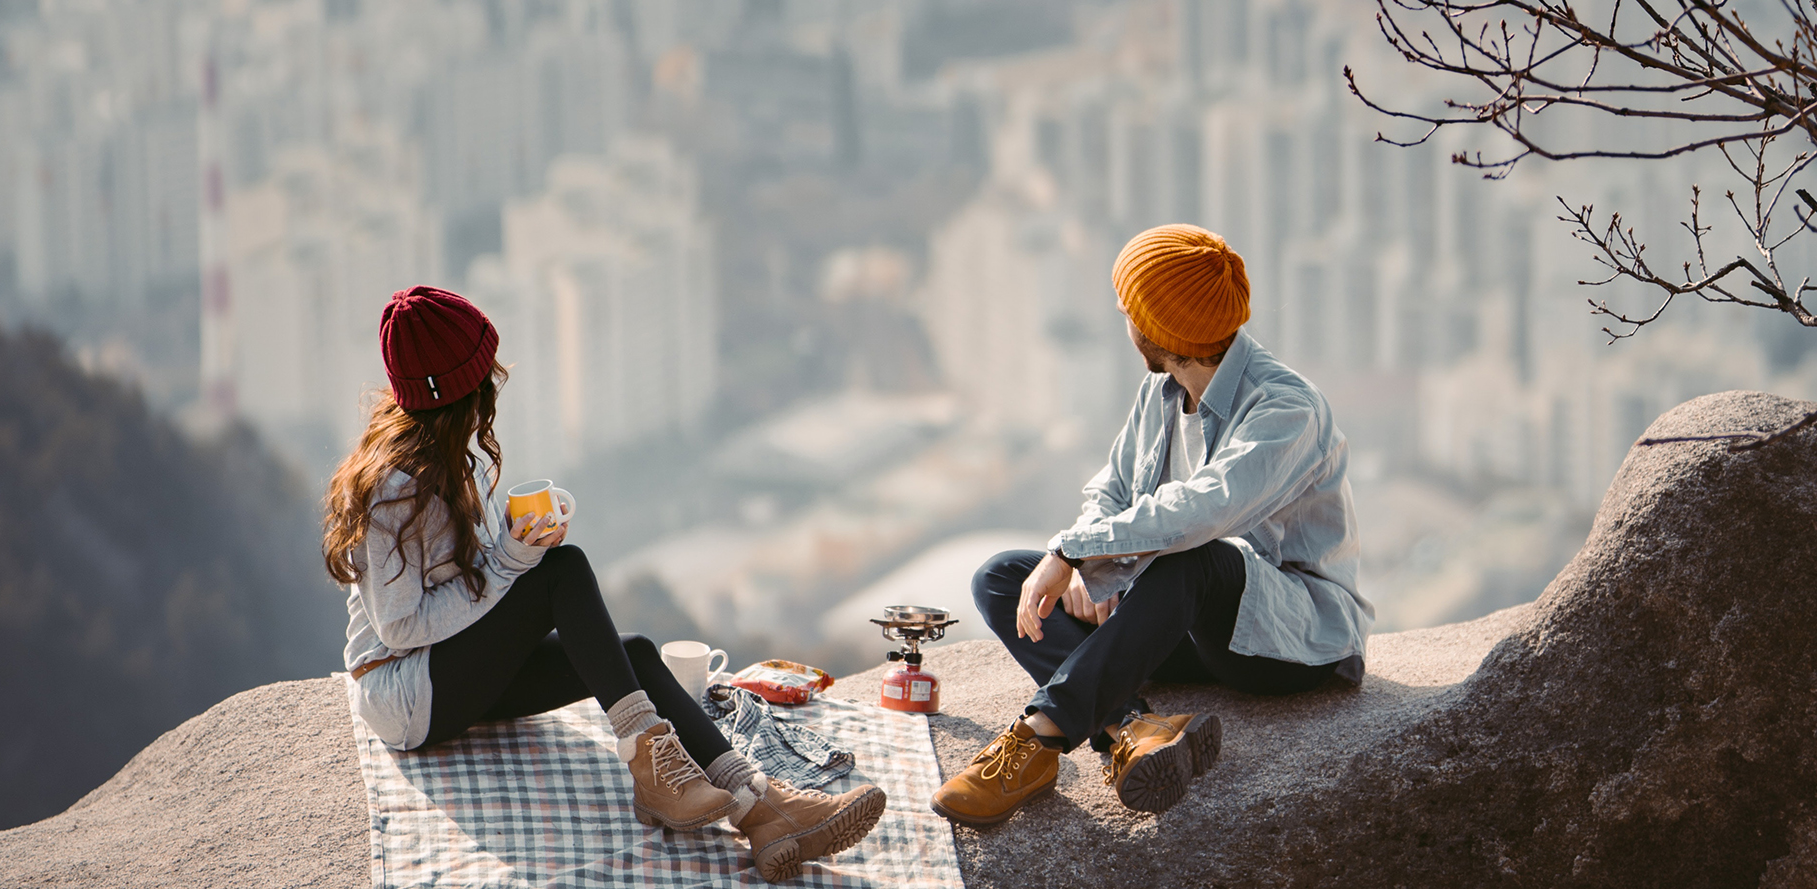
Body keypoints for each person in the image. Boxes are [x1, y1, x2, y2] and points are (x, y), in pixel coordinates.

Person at [324, 286, 885, 882]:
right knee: (561, 574)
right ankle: (655, 772)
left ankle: (761, 809)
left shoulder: (437, 454)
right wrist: (514, 561)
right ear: (461, 388)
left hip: (448, 673)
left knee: (633, 653)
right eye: (485, 372)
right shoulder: (393, 488)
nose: (494, 384)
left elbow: (463, 578)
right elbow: (402, 626)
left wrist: (514, 542)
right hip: (406, 693)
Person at [930, 225, 1373, 826]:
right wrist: (1085, 567)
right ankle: (1132, 726)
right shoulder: (1160, 392)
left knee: (1197, 555)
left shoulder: (1285, 408)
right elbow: (1110, 490)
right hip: (1184, 625)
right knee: (1003, 576)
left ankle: (1039, 740)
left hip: (1293, 642)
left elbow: (1203, 511)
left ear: (1159, 330)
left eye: (1129, 310)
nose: (1124, 321)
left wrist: (1083, 553)